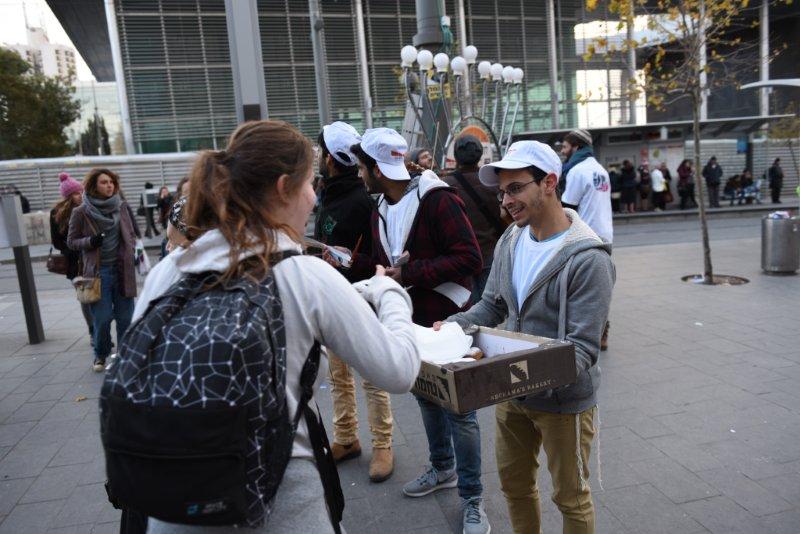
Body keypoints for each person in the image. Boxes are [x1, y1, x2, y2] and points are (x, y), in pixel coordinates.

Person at [133, 119, 420, 533]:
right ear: (284, 188)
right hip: (279, 502)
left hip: (174, 502)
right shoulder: (304, 275)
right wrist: (388, 292)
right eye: (308, 185)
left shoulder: (170, 270)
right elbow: (399, 369)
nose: (313, 198)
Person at [438, 140, 615, 534]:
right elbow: (492, 305)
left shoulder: (589, 259)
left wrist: (522, 374)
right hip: (512, 394)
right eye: (502, 192)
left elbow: (583, 349)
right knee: (515, 488)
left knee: (571, 499)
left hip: (564, 403)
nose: (506, 202)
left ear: (549, 182)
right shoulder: (512, 240)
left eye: (515, 188)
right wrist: (451, 328)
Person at [337, 128, 488, 534]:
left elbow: (469, 258)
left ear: (376, 169)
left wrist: (410, 273)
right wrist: (351, 261)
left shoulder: (438, 198)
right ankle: (442, 467)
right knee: (426, 397)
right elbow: (384, 263)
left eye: (362, 168)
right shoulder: (381, 207)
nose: (359, 175)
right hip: (412, 321)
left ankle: (473, 499)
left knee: (461, 412)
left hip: (449, 322)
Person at [313, 121, 395, 484]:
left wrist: (346, 260)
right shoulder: (328, 192)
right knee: (338, 376)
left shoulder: (362, 200)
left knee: (372, 377)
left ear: (331, 159)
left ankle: (383, 444)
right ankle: (346, 437)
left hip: (363, 300)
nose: (318, 157)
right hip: (331, 296)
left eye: (320, 151)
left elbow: (380, 257)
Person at [68, 169, 138, 372]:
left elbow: (130, 233)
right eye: (104, 182)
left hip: (122, 270)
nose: (109, 186)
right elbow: (72, 241)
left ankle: (124, 356)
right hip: (98, 273)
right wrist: (90, 241)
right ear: (93, 186)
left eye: (111, 182)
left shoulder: (121, 207)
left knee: (125, 318)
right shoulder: (81, 212)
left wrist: (131, 248)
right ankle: (100, 354)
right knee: (103, 318)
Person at [444, 134, 505, 304]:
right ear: (480, 154)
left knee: (470, 309)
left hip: (461, 256)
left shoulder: (445, 185)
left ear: (456, 156)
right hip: (490, 252)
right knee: (490, 306)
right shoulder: (493, 182)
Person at [50, 172, 93, 342]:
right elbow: (56, 241)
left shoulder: (88, 208)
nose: (80, 195)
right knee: (86, 298)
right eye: (76, 193)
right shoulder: (57, 213)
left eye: (81, 192)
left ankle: (99, 331)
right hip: (75, 264)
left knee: (97, 298)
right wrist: (73, 248)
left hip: (92, 259)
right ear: (68, 196)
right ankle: (93, 332)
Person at [559, 129, 613, 243]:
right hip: (605, 234)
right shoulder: (601, 170)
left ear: (576, 147)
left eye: (565, 147)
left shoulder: (577, 171)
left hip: (586, 237)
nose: (562, 151)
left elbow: (567, 209)